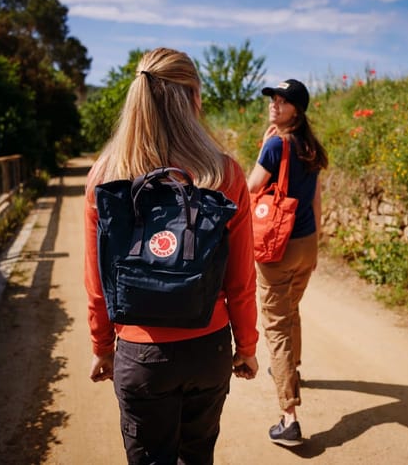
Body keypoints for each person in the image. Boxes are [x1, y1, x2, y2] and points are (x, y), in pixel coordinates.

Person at [84, 47, 259, 464]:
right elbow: (240, 278)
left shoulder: (106, 175)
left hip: (141, 354)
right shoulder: (223, 172)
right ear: (194, 98)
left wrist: (101, 346)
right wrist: (246, 345)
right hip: (208, 348)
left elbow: (97, 281)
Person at [247, 79, 328, 446]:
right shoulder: (310, 145)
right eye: (273, 100)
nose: (274, 105)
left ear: (297, 109)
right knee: (291, 308)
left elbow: (251, 186)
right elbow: (316, 200)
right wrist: (317, 244)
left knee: (276, 325)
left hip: (276, 246)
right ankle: (291, 369)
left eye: (282, 101)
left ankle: (289, 416)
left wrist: (265, 145)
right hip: (306, 243)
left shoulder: (276, 144)